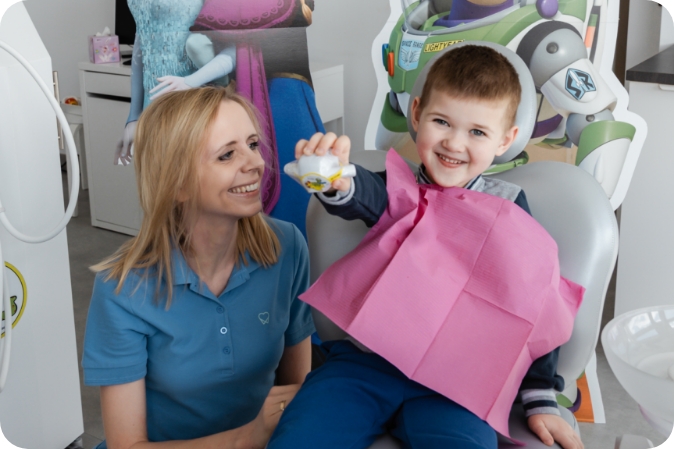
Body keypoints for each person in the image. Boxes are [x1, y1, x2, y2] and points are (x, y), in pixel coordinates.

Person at [267, 46, 583, 449]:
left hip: (457, 383)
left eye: (477, 132)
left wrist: (539, 397)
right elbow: (363, 194)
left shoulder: (508, 208)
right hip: (365, 365)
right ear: (416, 114)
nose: (454, 143)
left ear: (506, 139)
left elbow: (532, 308)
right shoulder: (397, 187)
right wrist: (336, 180)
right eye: (441, 122)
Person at [83, 87, 315, 449]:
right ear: (177, 184)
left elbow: (297, 392)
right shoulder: (122, 289)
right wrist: (246, 438)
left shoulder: (286, 247)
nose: (255, 163)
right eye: (227, 155)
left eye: (253, 144)